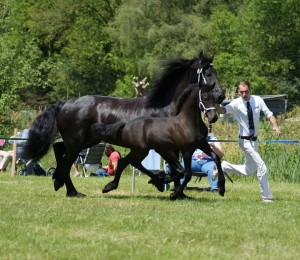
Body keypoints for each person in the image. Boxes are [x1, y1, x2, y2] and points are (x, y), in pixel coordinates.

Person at [217, 81, 281, 202]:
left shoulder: (258, 100)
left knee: (249, 170)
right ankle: (266, 197)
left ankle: (224, 166)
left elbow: (269, 114)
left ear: (250, 90)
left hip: (254, 141)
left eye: (246, 91)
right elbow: (223, 111)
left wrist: (276, 126)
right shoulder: (236, 103)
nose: (244, 94)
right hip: (244, 141)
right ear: (238, 92)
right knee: (262, 166)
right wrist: (215, 105)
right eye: (241, 92)